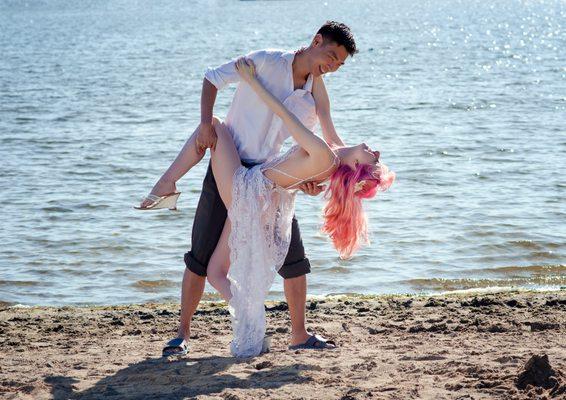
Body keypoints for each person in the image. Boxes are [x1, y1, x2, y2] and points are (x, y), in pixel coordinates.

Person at [139, 21, 359, 356]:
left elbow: (330, 141)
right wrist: (204, 123)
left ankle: (298, 335)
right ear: (315, 41)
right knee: (201, 255)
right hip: (226, 164)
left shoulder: (317, 93)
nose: (332, 67)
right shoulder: (267, 61)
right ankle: (182, 334)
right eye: (330, 56)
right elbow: (212, 77)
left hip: (269, 180)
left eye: (339, 64)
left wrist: (316, 178)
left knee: (294, 258)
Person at [202, 57, 394, 357]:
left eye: (374, 160)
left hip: (259, 193)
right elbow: (326, 116)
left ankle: (267, 322)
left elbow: (284, 114)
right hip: (270, 198)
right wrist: (317, 73)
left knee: (213, 125)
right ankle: (254, 318)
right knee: (217, 269)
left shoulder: (327, 157)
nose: (377, 152)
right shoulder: (333, 155)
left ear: (356, 165)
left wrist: (252, 81)